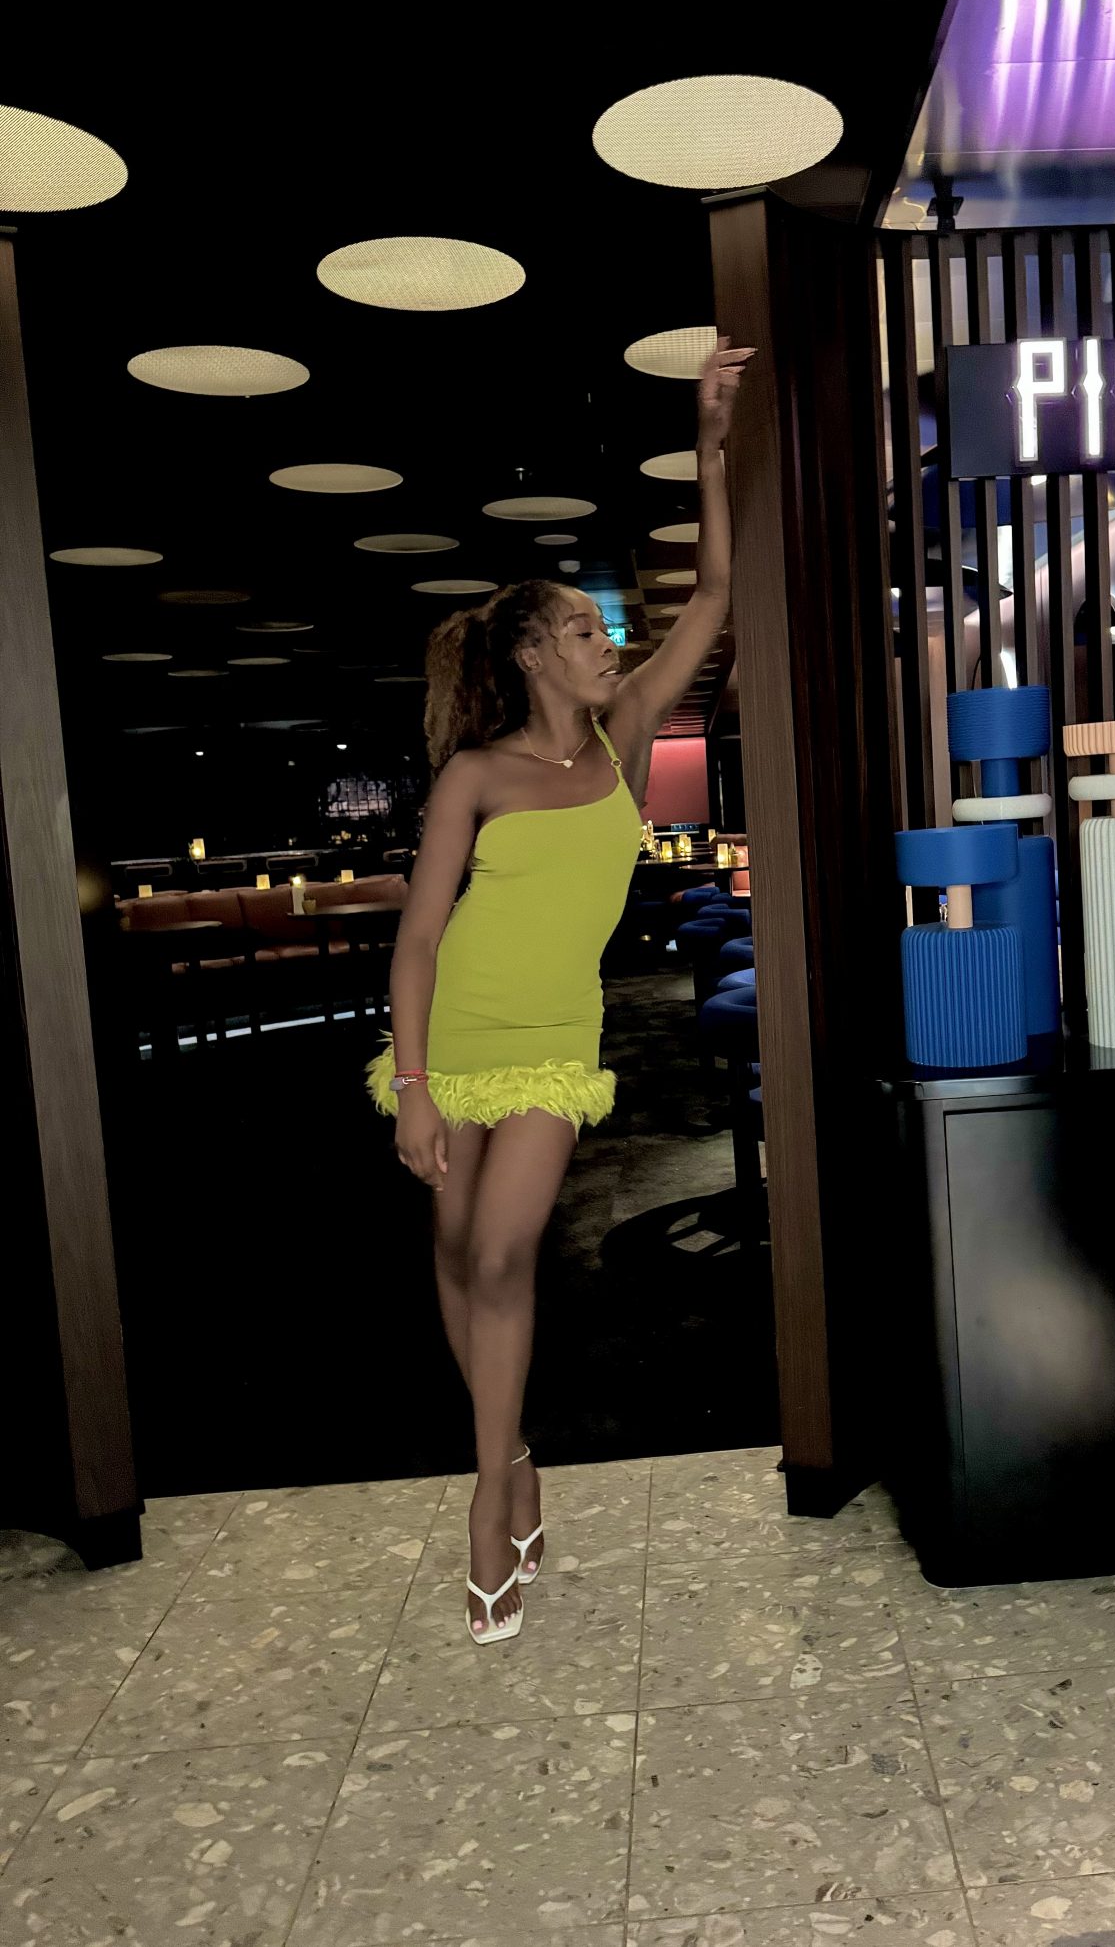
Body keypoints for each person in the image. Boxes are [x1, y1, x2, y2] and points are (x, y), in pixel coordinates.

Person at [369, 337, 752, 1642]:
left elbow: (711, 596)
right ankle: (518, 1452)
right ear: (532, 651)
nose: (608, 644)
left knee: (500, 1248)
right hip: (454, 1025)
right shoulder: (474, 771)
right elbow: (419, 937)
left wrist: (705, 443)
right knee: (447, 1246)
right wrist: (413, 1088)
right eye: (584, 631)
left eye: (603, 631)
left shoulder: (623, 733)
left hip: (552, 1038)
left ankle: (487, 1499)